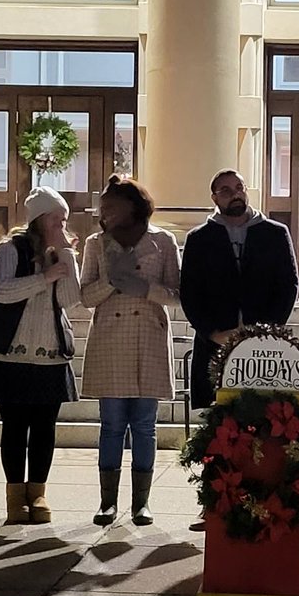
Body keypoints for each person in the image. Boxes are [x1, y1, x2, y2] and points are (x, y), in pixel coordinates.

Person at [179, 169, 299, 530]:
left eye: (239, 188)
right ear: (214, 197)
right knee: (219, 430)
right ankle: (215, 503)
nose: (235, 194)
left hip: (264, 350)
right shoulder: (200, 238)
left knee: (264, 425)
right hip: (216, 344)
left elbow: (289, 284)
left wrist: (266, 332)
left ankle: (265, 502)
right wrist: (212, 332)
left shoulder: (275, 233)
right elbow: (190, 292)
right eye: (226, 190)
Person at [79, 174, 180, 527]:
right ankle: (108, 502)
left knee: (144, 425)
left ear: (133, 205)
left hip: (148, 337)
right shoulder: (96, 243)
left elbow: (175, 295)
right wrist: (112, 280)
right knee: (111, 425)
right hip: (110, 340)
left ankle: (141, 503)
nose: (103, 211)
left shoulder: (163, 241)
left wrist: (142, 287)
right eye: (102, 206)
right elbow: (85, 297)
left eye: (110, 205)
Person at [0, 187, 81, 525]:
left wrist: (66, 259)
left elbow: (69, 300)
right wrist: (43, 278)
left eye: (64, 219)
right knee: (14, 427)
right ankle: (14, 497)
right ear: (39, 219)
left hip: (50, 355)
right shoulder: (11, 248)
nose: (62, 224)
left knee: (44, 428)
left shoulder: (61, 255)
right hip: (11, 355)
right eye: (56, 218)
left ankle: (37, 493)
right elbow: (0, 290)